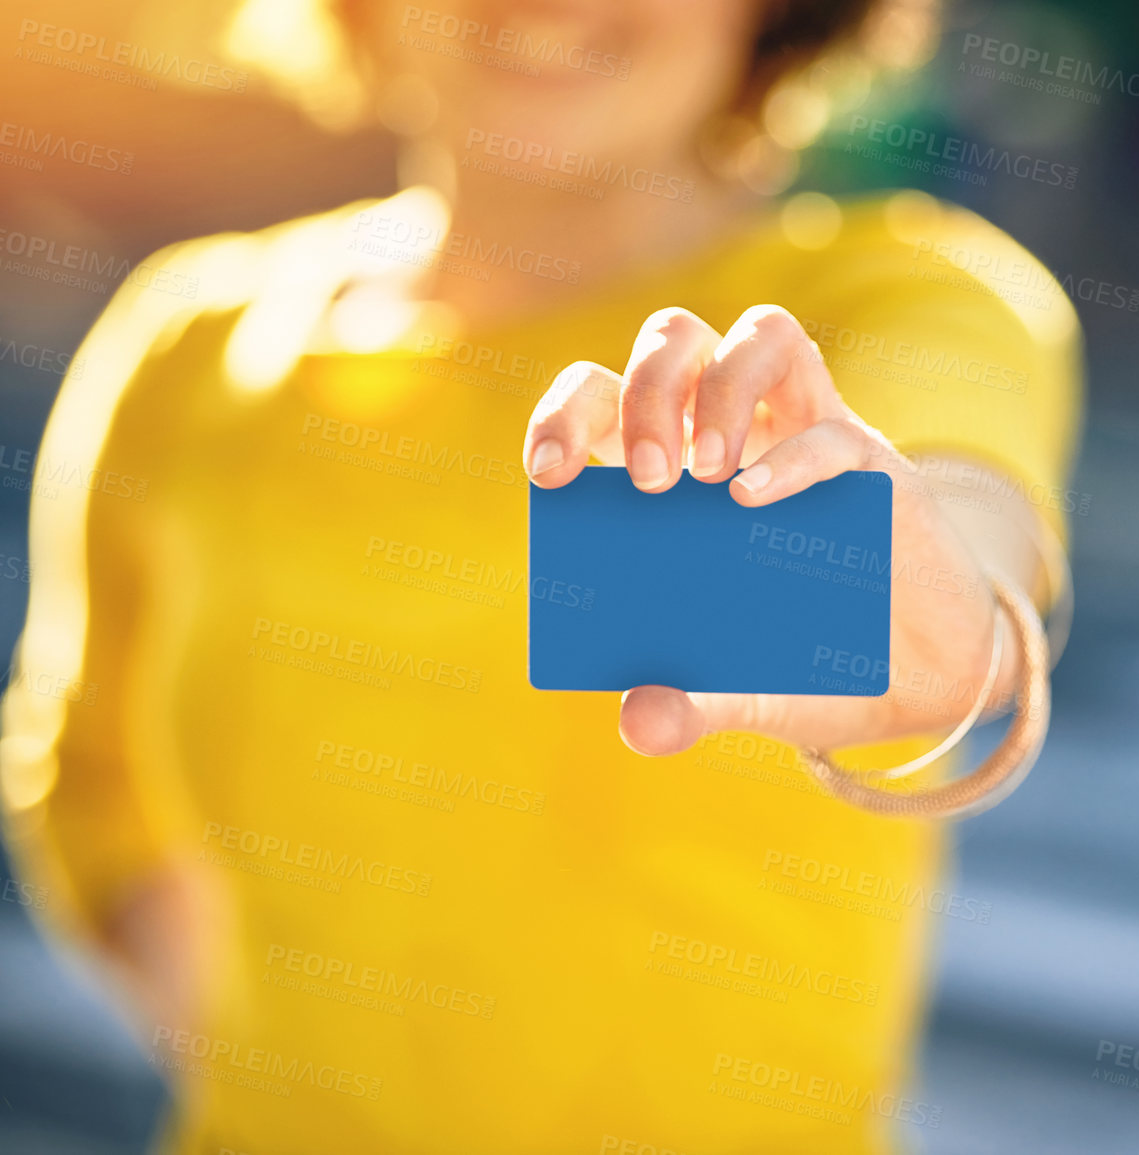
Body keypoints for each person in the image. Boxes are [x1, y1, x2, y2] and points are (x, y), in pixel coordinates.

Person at [0, 0, 1082, 1150]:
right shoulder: (189, 346)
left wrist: (948, 623)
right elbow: (85, 780)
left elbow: (961, 520)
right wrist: (287, 1075)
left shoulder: (896, 303)